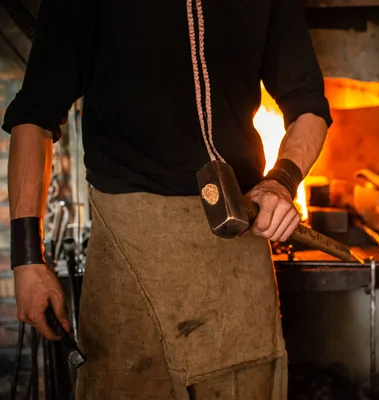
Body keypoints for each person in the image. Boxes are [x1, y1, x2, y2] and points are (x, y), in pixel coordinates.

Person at [2, 0, 332, 397]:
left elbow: (308, 104)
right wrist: (26, 259)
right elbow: (35, 115)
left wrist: (281, 181)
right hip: (132, 244)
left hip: (238, 245)